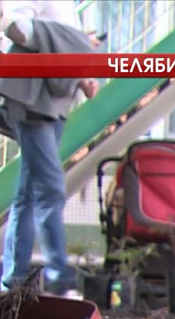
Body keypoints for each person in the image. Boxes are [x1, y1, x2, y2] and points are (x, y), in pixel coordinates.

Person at [0, 0, 98, 296]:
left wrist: (83, 70)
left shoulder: (67, 6)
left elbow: (61, 44)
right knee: (51, 188)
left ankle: (11, 281)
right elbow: (13, 26)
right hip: (31, 102)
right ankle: (60, 279)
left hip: (54, 106)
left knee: (28, 195)